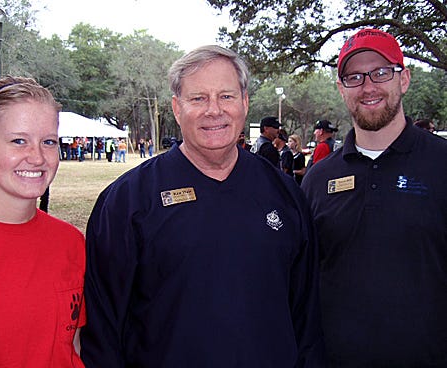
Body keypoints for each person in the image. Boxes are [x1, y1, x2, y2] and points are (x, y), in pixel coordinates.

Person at [80, 45, 325, 367]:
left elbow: (306, 314)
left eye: (226, 96)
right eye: (198, 98)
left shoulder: (285, 194)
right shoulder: (127, 201)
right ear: (177, 108)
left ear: (245, 103)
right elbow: (103, 330)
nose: (214, 110)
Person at [301, 28, 447, 367]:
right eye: (353, 77)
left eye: (381, 72)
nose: (368, 86)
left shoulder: (441, 163)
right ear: (341, 89)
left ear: (404, 78)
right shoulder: (319, 179)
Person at [0, 76, 86, 367]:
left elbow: (70, 345)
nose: (37, 157)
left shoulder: (70, 242)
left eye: (48, 142)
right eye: (19, 141)